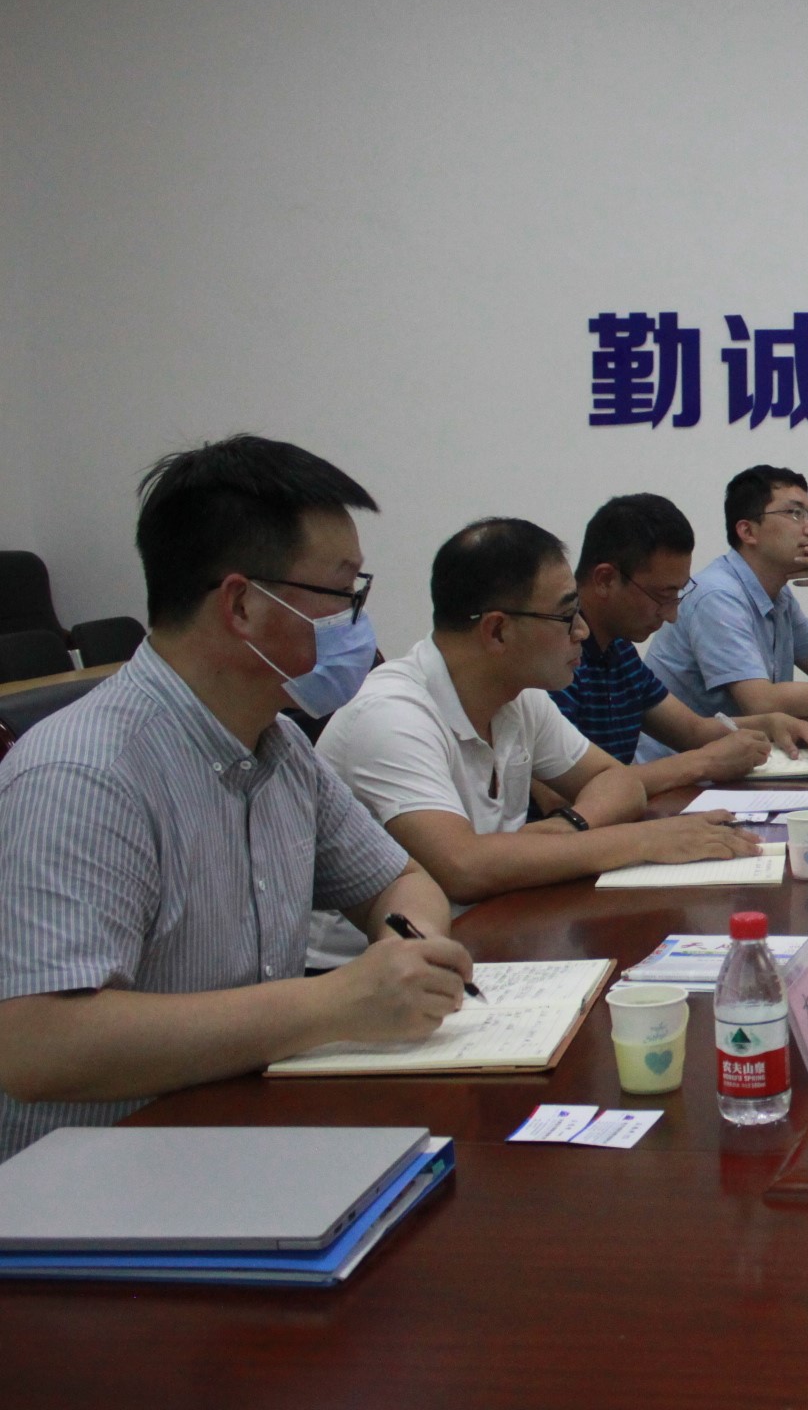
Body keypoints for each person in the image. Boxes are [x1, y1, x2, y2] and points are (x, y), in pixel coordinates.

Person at [0, 435, 469, 1160]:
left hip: (242, 1136)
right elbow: (38, 1044)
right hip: (102, 1179)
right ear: (243, 604)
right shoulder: (84, 774)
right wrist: (336, 1001)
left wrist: (416, 951)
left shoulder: (278, 746)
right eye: (344, 593)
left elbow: (398, 880)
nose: (358, 621)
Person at [310, 518, 756, 965]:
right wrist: (644, 841)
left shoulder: (519, 697)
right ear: (497, 631)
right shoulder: (391, 715)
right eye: (566, 616)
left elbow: (618, 782)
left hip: (489, 932)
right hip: (364, 973)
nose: (582, 631)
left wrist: (567, 827)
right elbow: (464, 868)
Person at [553, 493, 808, 794]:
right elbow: (563, 793)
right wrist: (702, 763)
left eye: (678, 595)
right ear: (605, 580)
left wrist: (770, 723)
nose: (671, 615)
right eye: (662, 596)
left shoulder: (619, 651)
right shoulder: (556, 661)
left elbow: (693, 730)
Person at [640, 464, 808, 748]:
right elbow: (759, 702)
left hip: (744, 755)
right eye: (795, 514)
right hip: (682, 766)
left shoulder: (778, 595)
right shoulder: (717, 595)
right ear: (747, 531)